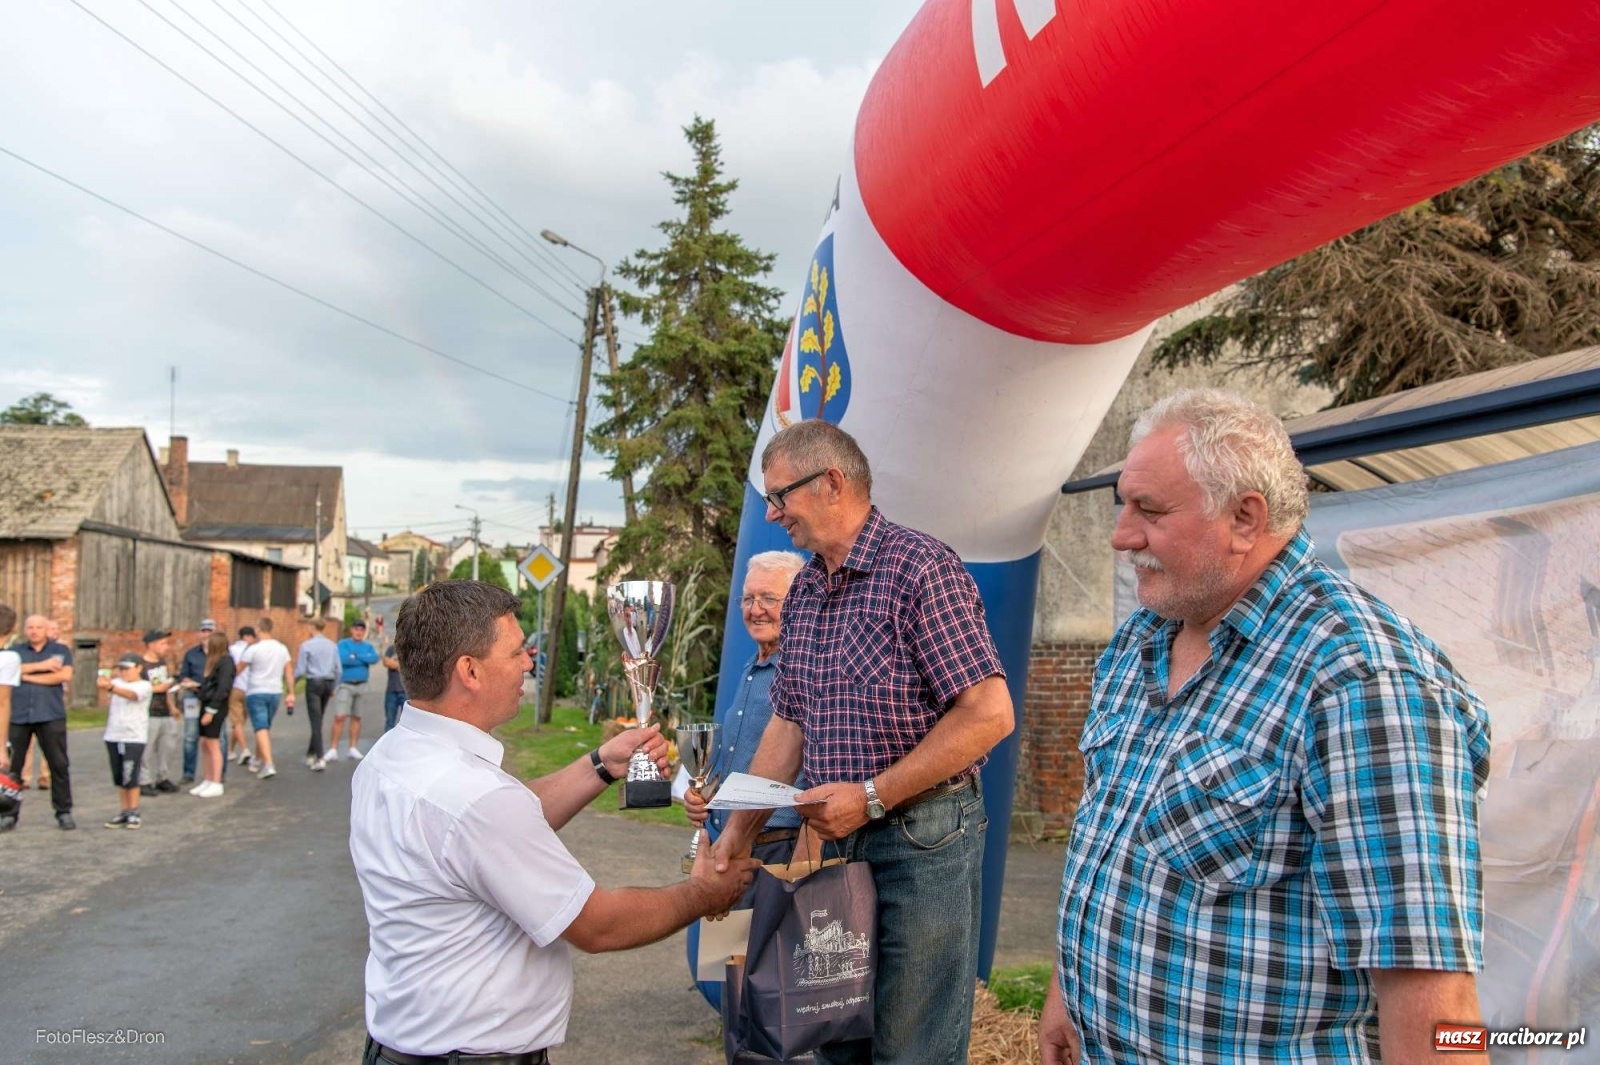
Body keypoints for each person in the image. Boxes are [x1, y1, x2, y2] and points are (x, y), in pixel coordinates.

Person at [1041, 390, 1492, 1065]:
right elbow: (1112, 839)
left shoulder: (1361, 680)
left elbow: (1431, 995)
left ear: (1245, 518)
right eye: (1123, 505)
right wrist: (1065, 991)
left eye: (1150, 511)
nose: (1121, 534)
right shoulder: (1142, 639)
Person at [351, 580, 760, 1065]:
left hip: (401, 1047)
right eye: (516, 650)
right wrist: (705, 894)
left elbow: (499, 825)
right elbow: (598, 926)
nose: (529, 661)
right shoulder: (475, 799)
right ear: (470, 671)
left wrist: (602, 764)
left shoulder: (393, 756)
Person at [712, 420, 1015, 1065]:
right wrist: (736, 835)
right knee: (837, 1042)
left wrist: (873, 796)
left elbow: (989, 714)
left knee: (913, 1050)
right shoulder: (807, 593)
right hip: (839, 845)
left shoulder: (920, 568)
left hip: (924, 842)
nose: (771, 514)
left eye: (780, 495)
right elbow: (788, 724)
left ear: (831, 482)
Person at [7, 614, 76, 829]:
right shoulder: (15, 651)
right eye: (30, 627)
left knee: (58, 764)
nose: (34, 631)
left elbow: (63, 676)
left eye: (39, 627)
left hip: (50, 714)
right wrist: (43, 666)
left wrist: (25, 674)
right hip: (18, 715)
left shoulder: (60, 650)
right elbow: (6, 669)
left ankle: (63, 811)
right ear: (24, 630)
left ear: (47, 629)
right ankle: (8, 813)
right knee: (12, 768)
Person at [99, 653, 152, 829]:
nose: (124, 672)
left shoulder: (144, 686)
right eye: (121, 669)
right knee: (120, 777)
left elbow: (132, 695)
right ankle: (124, 811)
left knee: (131, 774)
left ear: (139, 668)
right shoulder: (116, 683)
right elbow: (106, 684)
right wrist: (106, 683)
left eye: (127, 669)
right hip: (114, 734)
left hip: (134, 736)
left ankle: (134, 810)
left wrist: (111, 688)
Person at [238, 617, 293, 779]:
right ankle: (257, 758)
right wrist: (290, 692)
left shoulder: (254, 649)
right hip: (275, 690)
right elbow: (288, 671)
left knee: (260, 727)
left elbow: (239, 669)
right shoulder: (282, 648)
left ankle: (268, 764)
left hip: (256, 690)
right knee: (264, 727)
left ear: (258, 629)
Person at [190, 631, 235, 797]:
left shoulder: (226, 662)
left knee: (213, 743)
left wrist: (211, 710)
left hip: (216, 707)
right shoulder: (214, 662)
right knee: (204, 743)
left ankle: (216, 782)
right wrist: (196, 687)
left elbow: (223, 688)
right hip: (206, 703)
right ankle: (207, 779)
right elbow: (211, 685)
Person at [137, 629, 181, 796]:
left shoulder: (162, 663)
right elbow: (138, 689)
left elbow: (167, 687)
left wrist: (172, 706)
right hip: (149, 711)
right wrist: (157, 689)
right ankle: (144, 780)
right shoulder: (141, 665)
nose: (166, 647)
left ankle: (163, 777)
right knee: (147, 748)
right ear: (151, 645)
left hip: (164, 710)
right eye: (162, 644)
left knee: (168, 745)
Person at [327, 619, 379, 760]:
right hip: (346, 684)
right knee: (340, 716)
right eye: (357, 629)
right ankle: (333, 748)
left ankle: (353, 747)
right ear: (352, 630)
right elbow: (343, 659)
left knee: (357, 717)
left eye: (362, 630)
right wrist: (362, 659)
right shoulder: (343, 644)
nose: (359, 632)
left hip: (361, 684)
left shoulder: (367, 646)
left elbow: (374, 658)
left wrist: (356, 656)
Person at [295, 618, 340, 771]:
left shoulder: (306, 646)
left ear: (312, 628)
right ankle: (311, 752)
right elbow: (338, 669)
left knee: (315, 720)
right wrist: (334, 687)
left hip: (314, 683)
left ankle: (320, 757)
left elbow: (300, 670)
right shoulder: (332, 645)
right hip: (328, 682)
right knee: (318, 717)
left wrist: (291, 686)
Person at [176, 619, 217, 785]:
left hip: (212, 697)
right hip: (193, 696)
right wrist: (187, 682)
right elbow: (183, 675)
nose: (206, 634)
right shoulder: (191, 654)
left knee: (217, 736)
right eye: (204, 631)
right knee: (190, 735)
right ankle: (188, 772)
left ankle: (218, 772)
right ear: (199, 633)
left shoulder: (222, 654)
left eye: (210, 631)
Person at [227, 626, 255, 765]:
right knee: (240, 721)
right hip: (249, 688)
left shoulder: (231, 649)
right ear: (248, 637)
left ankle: (231, 750)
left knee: (237, 721)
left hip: (235, 687)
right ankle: (244, 750)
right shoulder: (253, 650)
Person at [380, 632, 405, 733]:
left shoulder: (413, 649)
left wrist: (394, 663)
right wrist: (402, 665)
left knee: (407, 724)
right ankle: (388, 747)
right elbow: (386, 662)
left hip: (407, 692)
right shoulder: (392, 648)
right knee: (390, 722)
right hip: (392, 690)